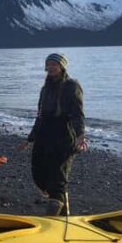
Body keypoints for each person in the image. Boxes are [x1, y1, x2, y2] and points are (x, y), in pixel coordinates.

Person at [22, 53, 87, 216]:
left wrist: (80, 135)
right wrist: (30, 139)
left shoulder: (71, 86)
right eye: (49, 64)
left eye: (54, 64)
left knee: (57, 179)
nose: (51, 67)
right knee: (38, 173)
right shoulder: (45, 88)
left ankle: (56, 217)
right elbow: (40, 115)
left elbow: (78, 113)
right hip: (44, 135)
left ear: (62, 67)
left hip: (63, 136)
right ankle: (60, 207)